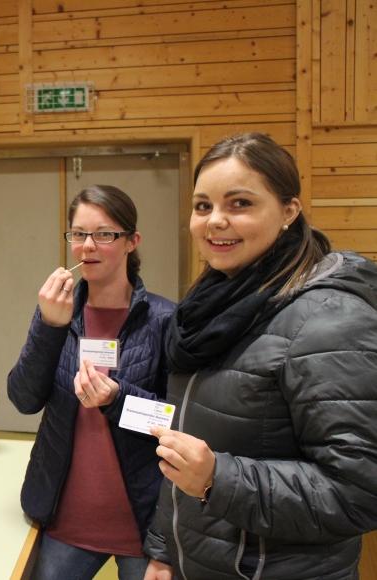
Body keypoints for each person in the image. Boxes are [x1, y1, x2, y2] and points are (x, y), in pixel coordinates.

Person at [143, 132, 377, 580]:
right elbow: (187, 445)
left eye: (240, 204)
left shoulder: (330, 319)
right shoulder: (213, 304)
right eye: (202, 206)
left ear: (289, 211)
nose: (214, 221)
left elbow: (358, 492)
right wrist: (164, 549)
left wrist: (219, 480)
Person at [8, 185, 175, 580]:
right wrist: (49, 325)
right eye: (78, 234)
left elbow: (177, 421)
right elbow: (24, 399)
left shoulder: (164, 320)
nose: (88, 246)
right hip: (66, 521)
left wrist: (118, 399)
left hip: (142, 527)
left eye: (104, 234)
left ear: (132, 241)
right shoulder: (59, 311)